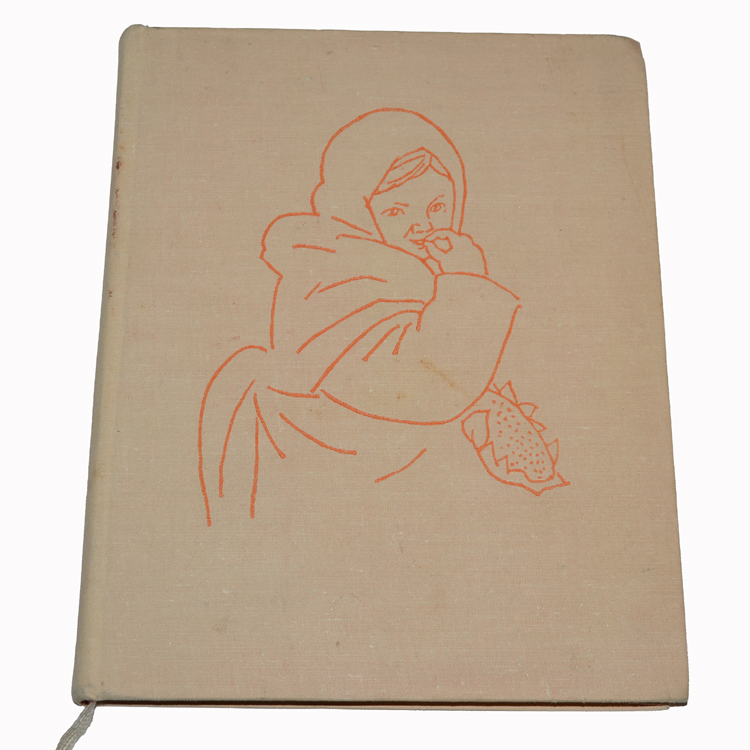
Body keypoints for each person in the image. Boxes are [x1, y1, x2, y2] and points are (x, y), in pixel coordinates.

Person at [199, 109, 566, 525]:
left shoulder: (416, 280)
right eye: (396, 212)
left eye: (438, 206)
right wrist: (467, 283)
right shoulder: (329, 273)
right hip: (333, 490)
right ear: (355, 212)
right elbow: (426, 384)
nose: (422, 226)